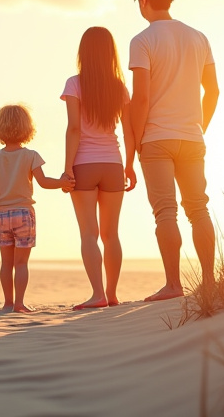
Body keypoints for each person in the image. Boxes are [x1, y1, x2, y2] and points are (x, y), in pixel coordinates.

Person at [128, 0, 220, 301]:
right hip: (192, 138)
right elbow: (213, 91)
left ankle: (173, 285)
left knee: (165, 212)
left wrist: (136, 141)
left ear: (144, 0)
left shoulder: (142, 41)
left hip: (156, 138)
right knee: (199, 209)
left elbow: (140, 98)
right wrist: (199, 127)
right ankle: (209, 281)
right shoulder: (199, 37)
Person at [61, 27, 135, 309]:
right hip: (113, 163)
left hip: (85, 164)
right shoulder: (119, 87)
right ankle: (113, 294)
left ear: (84, 52)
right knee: (111, 234)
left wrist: (68, 168)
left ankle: (98, 295)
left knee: (89, 234)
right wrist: (129, 166)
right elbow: (128, 133)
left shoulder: (74, 84)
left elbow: (74, 129)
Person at [0, 104, 69, 312]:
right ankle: (19, 304)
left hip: (1, 214)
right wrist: (63, 182)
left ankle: (7, 303)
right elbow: (44, 182)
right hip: (23, 214)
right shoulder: (30, 156)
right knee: (21, 264)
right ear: (26, 128)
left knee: (6, 264)